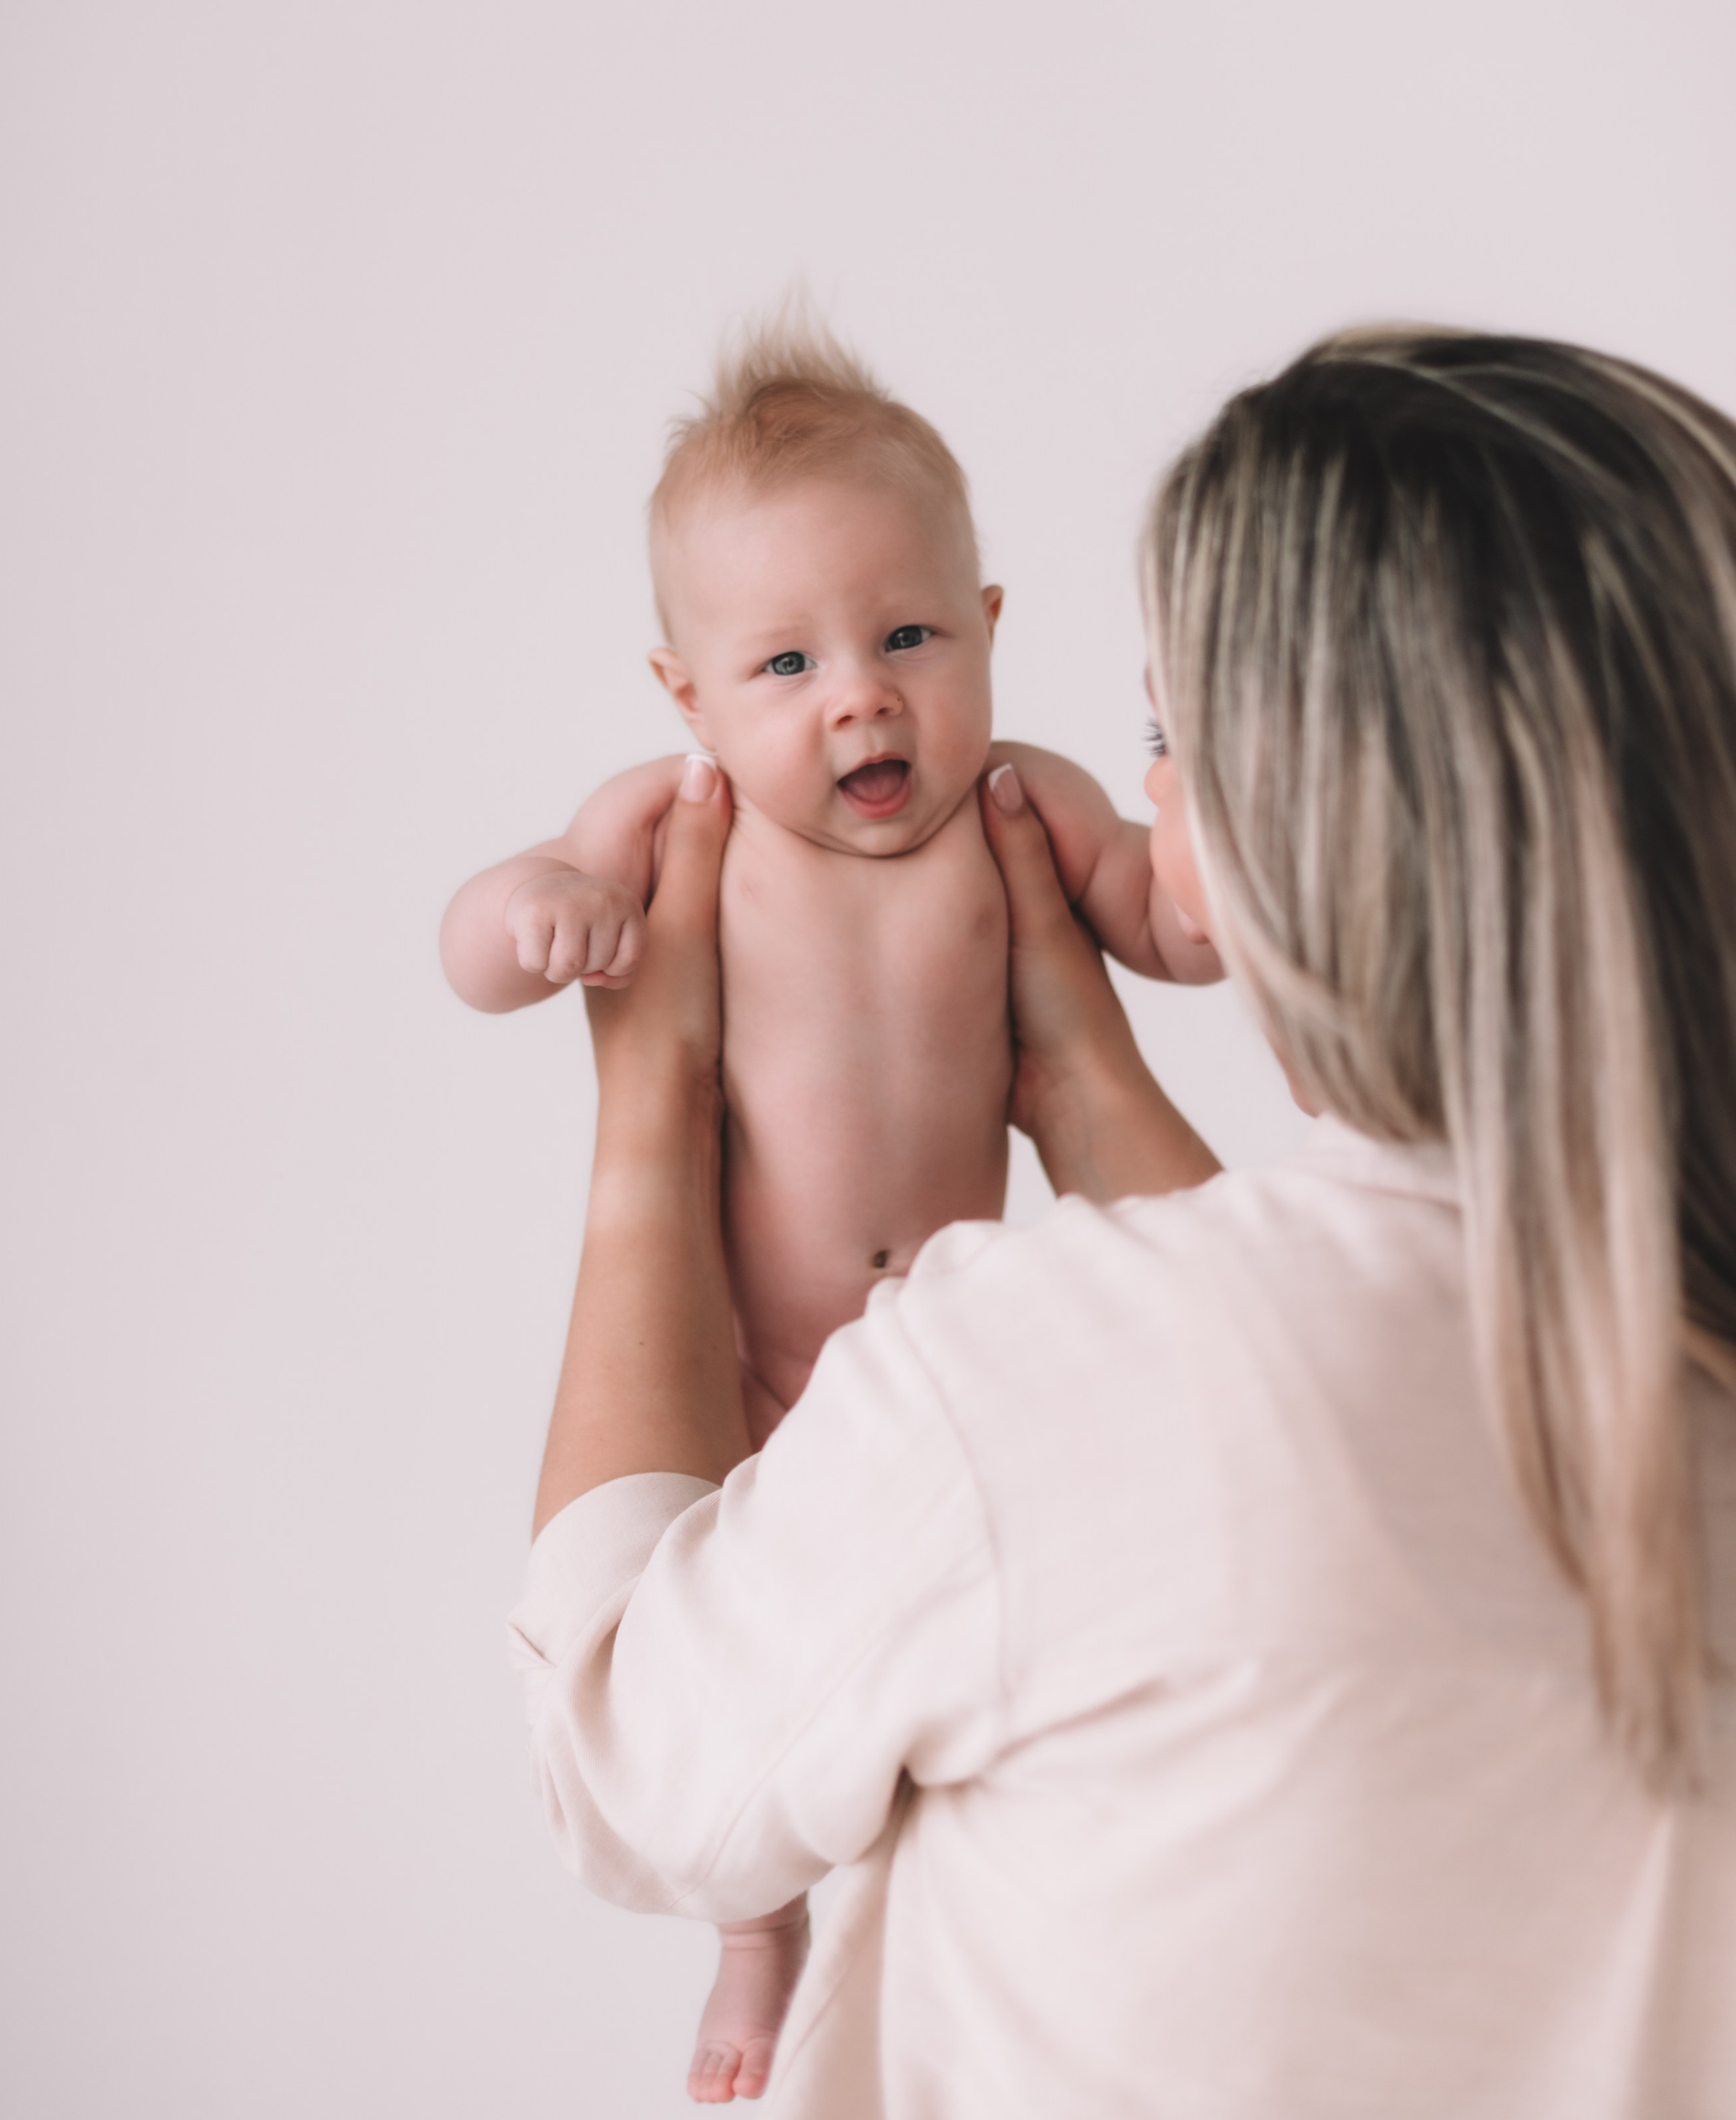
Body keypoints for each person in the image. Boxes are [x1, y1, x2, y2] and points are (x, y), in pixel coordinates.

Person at [512, 329, 1736, 2119]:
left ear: (1317, 815)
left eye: (1175, 736)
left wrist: (647, 1121)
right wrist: (1085, 1090)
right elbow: (1299, 1410)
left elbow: (628, 1753)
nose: (1147, 792)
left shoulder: (1018, 1378)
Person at [443, 317, 1215, 2097]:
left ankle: (926, 1936)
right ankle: (755, 1942)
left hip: (956, 1358)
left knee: (946, 1669)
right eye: (783, 660)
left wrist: (1216, 890)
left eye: (907, 636)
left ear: (993, 627)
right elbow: (479, 942)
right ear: (686, 694)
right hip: (741, 1364)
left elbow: (1160, 924)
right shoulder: (672, 817)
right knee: (724, 1657)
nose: (859, 694)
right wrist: (539, 907)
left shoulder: (1024, 805)